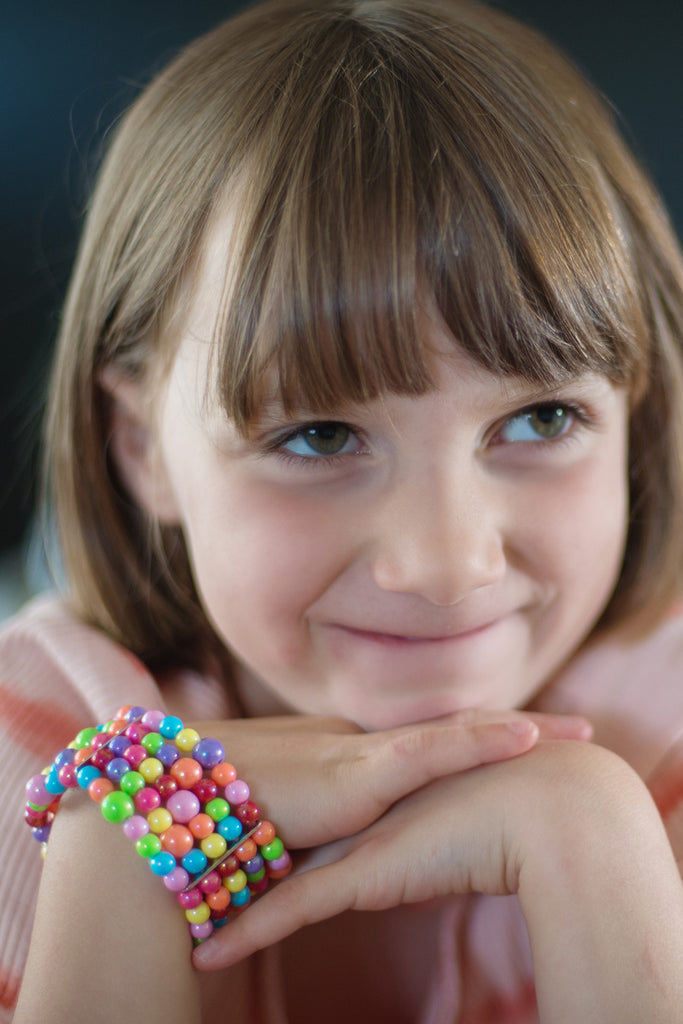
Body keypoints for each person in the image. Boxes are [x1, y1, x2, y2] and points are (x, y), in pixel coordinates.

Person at [4, 0, 683, 1019]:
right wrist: (118, 852)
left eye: (540, 418)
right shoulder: (29, 742)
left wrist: (594, 845)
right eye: (318, 436)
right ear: (141, 448)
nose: (451, 564)